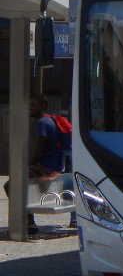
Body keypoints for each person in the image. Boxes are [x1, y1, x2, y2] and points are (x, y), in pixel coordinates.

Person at [2, 94, 75, 234]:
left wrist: (27, 165)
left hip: (46, 168)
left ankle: (29, 223)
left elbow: (39, 150)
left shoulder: (41, 123)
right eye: (29, 105)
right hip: (57, 167)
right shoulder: (53, 120)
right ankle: (30, 222)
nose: (30, 108)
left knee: (11, 185)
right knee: (22, 182)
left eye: (33, 105)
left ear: (43, 107)